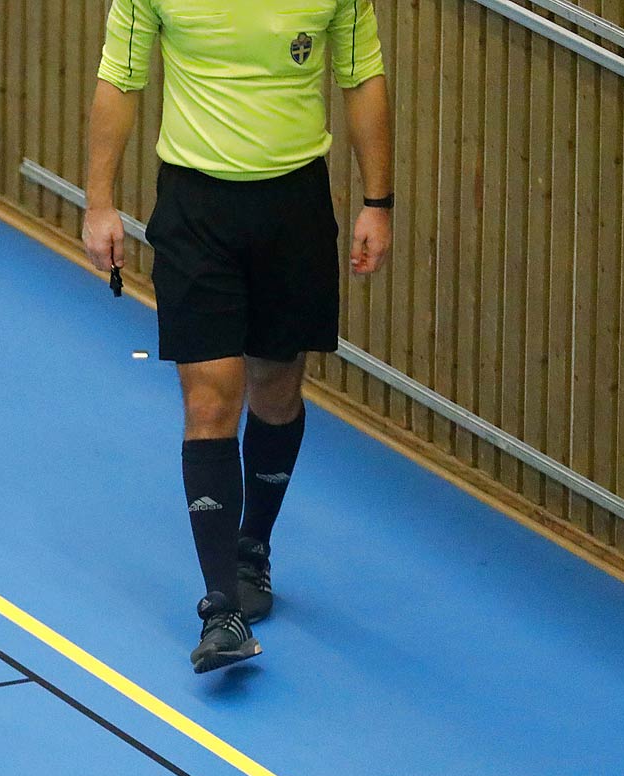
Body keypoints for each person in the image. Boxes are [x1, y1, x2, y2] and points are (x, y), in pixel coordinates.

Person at [83, 1, 394, 672]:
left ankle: (253, 545)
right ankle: (221, 603)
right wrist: (100, 201)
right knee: (211, 399)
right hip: (196, 209)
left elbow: (362, 76)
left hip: (294, 207)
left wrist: (378, 202)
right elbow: (120, 79)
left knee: (276, 391)